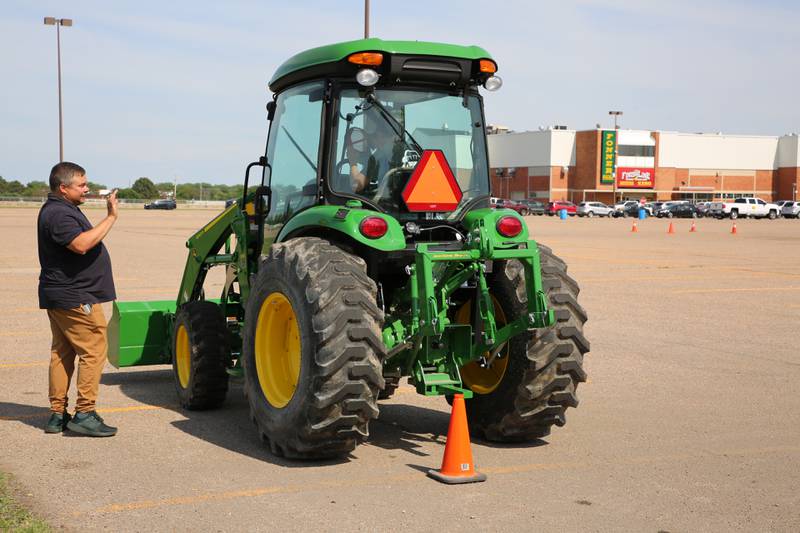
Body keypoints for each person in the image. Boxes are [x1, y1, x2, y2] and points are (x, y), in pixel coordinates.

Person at [38, 162, 119, 437]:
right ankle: (85, 413)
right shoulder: (59, 214)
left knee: (63, 353)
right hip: (75, 296)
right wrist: (110, 217)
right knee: (94, 350)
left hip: (61, 294)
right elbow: (81, 244)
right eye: (81, 185)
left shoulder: (62, 209)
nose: (86, 189)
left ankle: (57, 414)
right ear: (63, 188)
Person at [347, 118, 401, 194]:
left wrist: (352, 162)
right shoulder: (407, 151)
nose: (371, 145)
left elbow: (356, 186)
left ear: (381, 135)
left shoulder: (378, 157)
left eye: (372, 137)